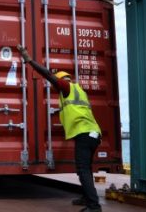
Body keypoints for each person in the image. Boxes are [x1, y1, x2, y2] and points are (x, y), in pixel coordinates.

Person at [17, 45, 102, 212]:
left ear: (62, 80)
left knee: (82, 169)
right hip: (93, 134)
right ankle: (87, 197)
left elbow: (48, 75)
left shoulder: (67, 87)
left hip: (84, 133)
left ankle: (94, 206)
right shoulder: (80, 91)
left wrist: (29, 60)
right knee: (86, 169)